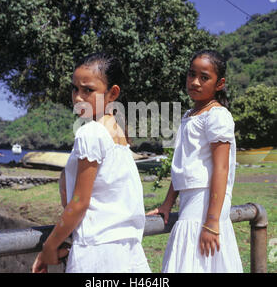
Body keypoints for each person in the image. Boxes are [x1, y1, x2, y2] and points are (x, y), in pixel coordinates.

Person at [32, 52, 151, 273]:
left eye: (88, 90)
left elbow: (79, 202)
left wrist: (50, 246)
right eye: (75, 88)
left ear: (112, 93)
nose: (78, 97)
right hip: (126, 251)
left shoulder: (91, 133)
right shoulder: (117, 132)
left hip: (97, 252)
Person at [147, 49, 243, 273]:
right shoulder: (190, 114)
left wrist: (212, 221)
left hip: (205, 204)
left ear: (220, 84)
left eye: (204, 77)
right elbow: (181, 166)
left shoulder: (217, 115)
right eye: (191, 74)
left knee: (198, 263)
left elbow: (221, 168)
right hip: (190, 201)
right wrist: (167, 204)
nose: (195, 82)